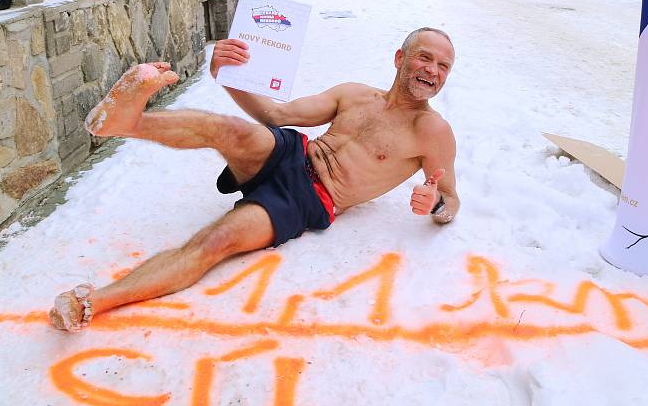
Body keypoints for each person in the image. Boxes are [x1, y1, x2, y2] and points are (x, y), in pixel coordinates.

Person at [49, 27, 460, 331]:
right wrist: (226, 73)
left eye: (443, 66)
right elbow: (276, 116)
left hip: (312, 200)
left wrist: (434, 204)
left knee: (216, 242)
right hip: (293, 153)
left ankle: (95, 301)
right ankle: (126, 124)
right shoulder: (355, 94)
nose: (433, 71)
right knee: (233, 130)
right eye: (425, 58)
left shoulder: (432, 132)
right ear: (399, 58)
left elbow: (449, 199)